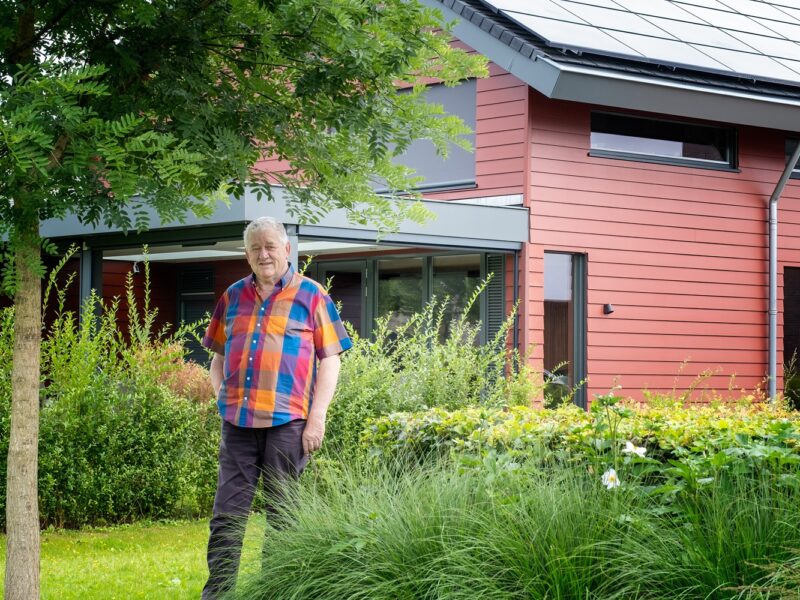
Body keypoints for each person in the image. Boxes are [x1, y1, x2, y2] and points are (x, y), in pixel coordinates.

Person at [200, 216, 352, 599]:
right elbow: (216, 356)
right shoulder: (232, 296)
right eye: (255, 248)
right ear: (247, 255)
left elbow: (331, 359)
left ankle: (274, 592)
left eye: (270, 246)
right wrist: (221, 396)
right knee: (226, 517)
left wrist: (316, 418)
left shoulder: (312, 295)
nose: (263, 254)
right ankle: (219, 595)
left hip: (288, 424)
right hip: (237, 422)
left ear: (286, 249)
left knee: (283, 517)